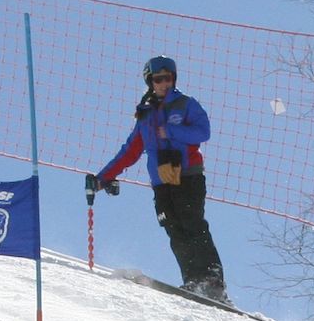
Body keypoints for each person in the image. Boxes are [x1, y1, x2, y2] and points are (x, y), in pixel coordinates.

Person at [85, 54, 228, 304]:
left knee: (192, 223)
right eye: (158, 79)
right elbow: (129, 152)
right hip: (162, 182)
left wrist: (170, 130)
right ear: (150, 82)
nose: (164, 83)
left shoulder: (185, 104)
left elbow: (203, 132)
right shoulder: (145, 116)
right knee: (174, 228)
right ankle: (193, 281)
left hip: (187, 176)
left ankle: (212, 282)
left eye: (168, 78)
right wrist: (103, 178)